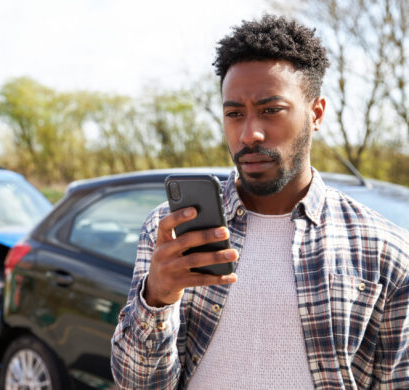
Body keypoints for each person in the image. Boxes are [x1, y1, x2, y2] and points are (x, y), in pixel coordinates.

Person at [110, 14, 409, 389]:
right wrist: (156, 298)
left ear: (315, 114)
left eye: (271, 110)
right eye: (234, 114)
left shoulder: (385, 251)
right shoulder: (169, 230)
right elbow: (135, 384)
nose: (249, 132)